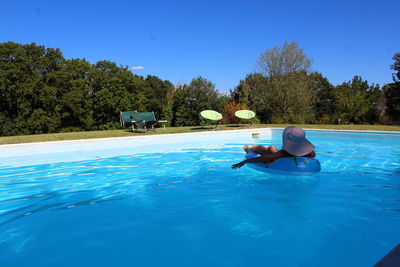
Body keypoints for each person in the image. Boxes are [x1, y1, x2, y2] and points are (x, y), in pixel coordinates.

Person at [231, 126, 316, 169]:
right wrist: (246, 161)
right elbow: (264, 158)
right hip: (276, 155)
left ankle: (254, 147)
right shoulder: (309, 152)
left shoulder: (310, 153)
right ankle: (250, 149)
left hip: (277, 154)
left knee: (270, 149)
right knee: (266, 149)